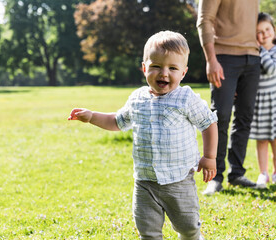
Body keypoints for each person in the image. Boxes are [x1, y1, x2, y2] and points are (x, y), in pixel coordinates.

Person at [68, 31, 218, 240]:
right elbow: (117, 122)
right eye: (156, 66)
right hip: (145, 182)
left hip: (179, 180)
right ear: (144, 67)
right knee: (147, 231)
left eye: (172, 68)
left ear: (183, 73)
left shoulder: (185, 98)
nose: (164, 73)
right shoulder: (137, 99)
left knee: (188, 228)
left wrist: (209, 157)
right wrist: (92, 116)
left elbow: (208, 123)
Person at [196, 0, 261, 195]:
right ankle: (216, 177)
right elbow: (204, 20)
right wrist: (211, 60)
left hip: (252, 58)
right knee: (221, 116)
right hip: (224, 57)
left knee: (245, 117)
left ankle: (237, 173)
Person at [250, 13, 276, 189]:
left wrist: (262, 50)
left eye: (267, 29)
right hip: (260, 101)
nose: (264, 34)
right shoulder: (254, 52)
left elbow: (272, 68)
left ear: (274, 30)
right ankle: (263, 173)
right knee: (262, 139)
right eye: (258, 32)